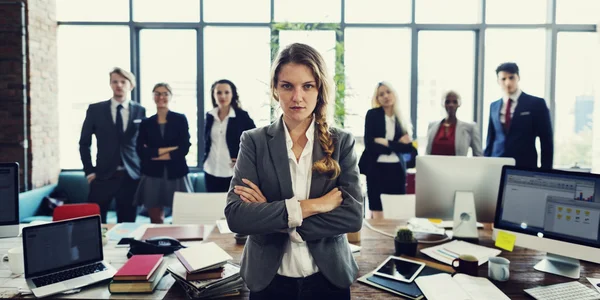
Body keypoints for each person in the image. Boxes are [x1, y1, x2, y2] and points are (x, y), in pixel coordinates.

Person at [224, 43, 363, 299]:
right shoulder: (253, 141)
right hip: (268, 280)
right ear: (276, 89)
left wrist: (272, 215)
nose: (297, 97)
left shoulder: (342, 142)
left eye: (307, 86)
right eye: (287, 86)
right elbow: (237, 217)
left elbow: (353, 217)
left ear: (319, 89)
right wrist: (315, 205)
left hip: (329, 277)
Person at [79, 67, 146, 223]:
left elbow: (144, 144)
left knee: (128, 226)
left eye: (123, 82)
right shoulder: (95, 109)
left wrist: (142, 171)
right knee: (95, 226)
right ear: (110, 84)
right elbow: (84, 143)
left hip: (131, 177)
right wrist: (89, 172)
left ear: (131, 85)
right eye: (115, 81)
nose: (119, 85)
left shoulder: (140, 111)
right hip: (102, 177)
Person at [134, 83, 193, 224]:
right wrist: (170, 149)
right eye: (157, 93)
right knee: (155, 219)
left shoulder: (180, 119)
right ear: (153, 96)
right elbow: (141, 150)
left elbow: (184, 147)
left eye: (165, 93)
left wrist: (155, 154)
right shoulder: (146, 123)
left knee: (182, 217)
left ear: (171, 96)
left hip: (176, 173)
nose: (161, 97)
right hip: (152, 174)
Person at [358, 81, 413, 220]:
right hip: (376, 168)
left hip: (397, 169)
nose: (385, 96)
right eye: (381, 94)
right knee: (377, 210)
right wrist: (396, 145)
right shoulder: (372, 115)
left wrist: (385, 142)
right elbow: (370, 145)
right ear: (377, 99)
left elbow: (408, 147)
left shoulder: (401, 118)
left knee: (396, 209)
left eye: (388, 92)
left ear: (394, 93)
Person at [484, 62, 553, 169]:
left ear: (518, 78)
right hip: (496, 163)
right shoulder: (494, 106)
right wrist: (485, 164)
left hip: (524, 164)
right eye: (503, 79)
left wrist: (546, 170)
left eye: (511, 78)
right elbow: (490, 139)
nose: (508, 82)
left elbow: (546, 140)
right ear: (498, 81)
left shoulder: (536, 104)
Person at [203, 79, 256, 192]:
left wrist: (243, 159)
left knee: (232, 208)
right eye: (219, 92)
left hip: (232, 173)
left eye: (226, 92)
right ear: (213, 95)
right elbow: (207, 142)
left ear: (233, 94)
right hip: (210, 170)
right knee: (213, 207)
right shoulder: (209, 116)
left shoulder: (242, 116)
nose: (223, 96)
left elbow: (256, 141)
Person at [425, 90, 483, 156]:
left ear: (459, 104)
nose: (451, 105)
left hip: (458, 165)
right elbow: (427, 152)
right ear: (443, 104)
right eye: (447, 102)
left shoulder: (469, 128)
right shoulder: (432, 126)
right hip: (432, 165)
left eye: (455, 102)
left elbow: (478, 155)